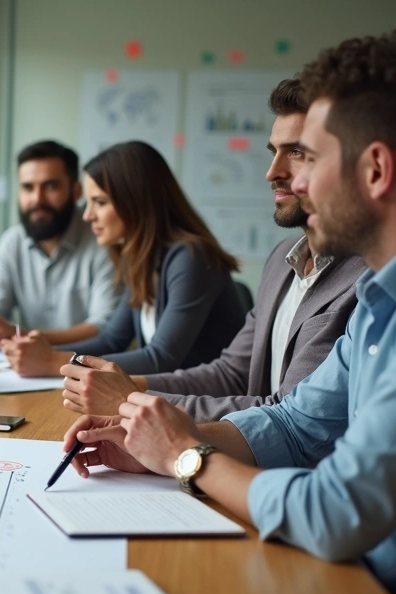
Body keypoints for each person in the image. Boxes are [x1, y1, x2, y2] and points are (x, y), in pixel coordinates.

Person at [63, 30, 396, 594]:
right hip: (359, 580)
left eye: (312, 159)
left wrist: (185, 457)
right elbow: (299, 425)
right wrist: (154, 448)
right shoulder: (390, 291)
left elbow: (336, 512)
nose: (293, 182)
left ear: (377, 169)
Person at [60, 78, 365, 420]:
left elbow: (291, 417)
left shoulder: (364, 280)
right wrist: (131, 392)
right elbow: (230, 373)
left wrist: (132, 401)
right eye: (273, 152)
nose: (271, 172)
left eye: (296, 152)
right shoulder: (281, 261)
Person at [3, 141, 245, 376]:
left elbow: (160, 358)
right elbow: (111, 340)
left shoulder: (192, 257)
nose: (87, 216)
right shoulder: (142, 258)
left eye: (99, 202)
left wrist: (54, 362)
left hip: (210, 409)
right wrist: (42, 353)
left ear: (136, 203)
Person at [0, 140, 120, 350]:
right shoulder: (12, 243)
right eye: (27, 187)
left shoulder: (103, 241)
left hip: (88, 367)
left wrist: (22, 335)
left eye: (50, 186)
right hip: (27, 370)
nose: (37, 199)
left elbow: (104, 327)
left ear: (76, 191)